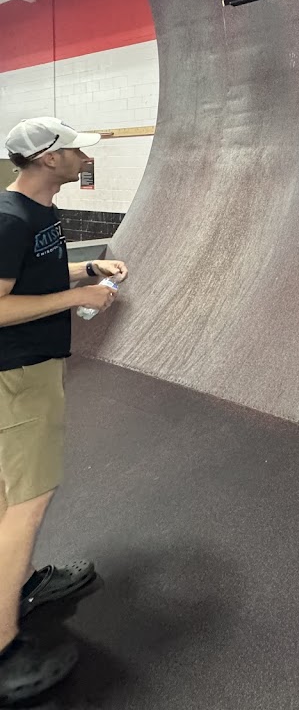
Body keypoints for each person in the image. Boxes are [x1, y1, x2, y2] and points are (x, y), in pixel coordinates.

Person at [0, 117, 127, 703]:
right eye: (75, 150)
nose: (84, 157)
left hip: (32, 369)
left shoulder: (40, 212)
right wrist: (78, 297)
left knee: (11, 492)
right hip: (18, 377)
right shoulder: (10, 219)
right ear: (49, 159)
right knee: (26, 503)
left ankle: (24, 584)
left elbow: (33, 277)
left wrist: (88, 270)